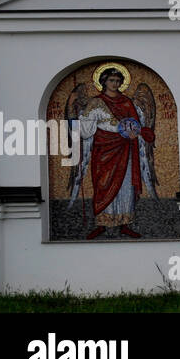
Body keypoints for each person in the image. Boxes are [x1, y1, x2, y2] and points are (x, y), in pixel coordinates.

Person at [70, 66, 157, 239]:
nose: (115, 84)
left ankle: (125, 223)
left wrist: (135, 132)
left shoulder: (126, 102)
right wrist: (78, 124)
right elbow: (86, 130)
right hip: (103, 151)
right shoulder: (95, 102)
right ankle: (102, 223)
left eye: (118, 81)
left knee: (125, 186)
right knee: (102, 184)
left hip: (124, 150)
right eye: (111, 80)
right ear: (103, 81)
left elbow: (135, 124)